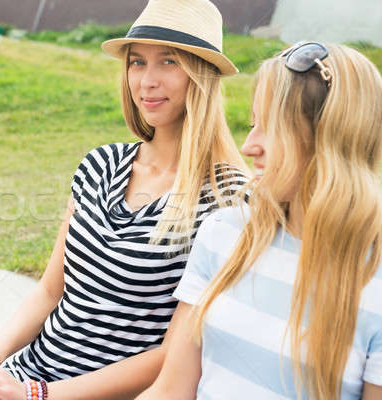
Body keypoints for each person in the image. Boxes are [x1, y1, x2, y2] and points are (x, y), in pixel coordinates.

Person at [0, 0, 248, 399]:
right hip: (26, 374)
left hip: (80, 393)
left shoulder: (226, 200)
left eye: (168, 61)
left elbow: (172, 358)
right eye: (137, 62)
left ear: (202, 75)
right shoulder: (100, 164)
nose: (146, 80)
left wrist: (38, 394)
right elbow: (51, 290)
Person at [137, 42, 382, 400]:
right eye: (253, 124)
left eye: (270, 127)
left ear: (330, 139)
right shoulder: (224, 232)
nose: (249, 146)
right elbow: (170, 390)